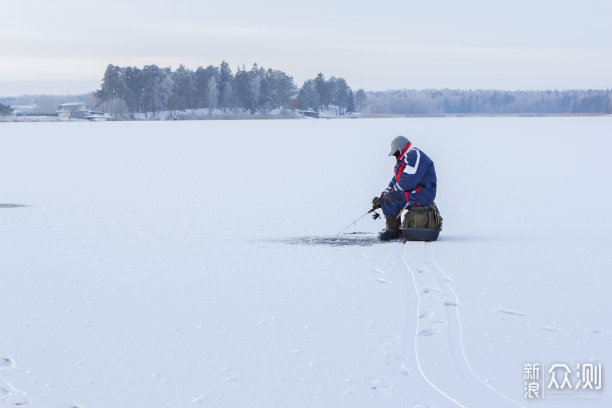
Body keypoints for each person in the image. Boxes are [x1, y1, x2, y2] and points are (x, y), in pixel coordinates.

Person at [372, 135, 438, 240]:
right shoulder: (404, 159)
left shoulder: (414, 155)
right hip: (416, 193)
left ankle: (393, 231)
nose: (394, 155)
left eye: (395, 153)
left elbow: (408, 182)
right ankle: (393, 228)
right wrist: (383, 196)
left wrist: (388, 196)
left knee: (390, 199)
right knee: (387, 198)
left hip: (422, 194)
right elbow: (396, 180)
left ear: (399, 149)